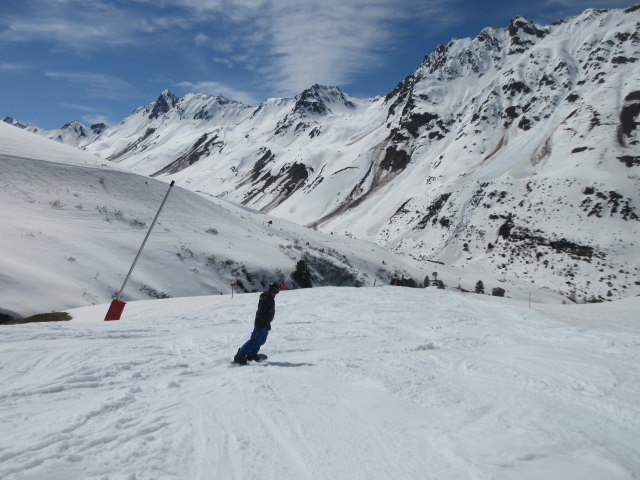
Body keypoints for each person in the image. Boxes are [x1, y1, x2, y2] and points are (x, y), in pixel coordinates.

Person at [233, 282, 280, 365]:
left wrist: (267, 323)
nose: (276, 293)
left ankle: (251, 354)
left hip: (265, 323)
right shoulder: (266, 298)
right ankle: (239, 356)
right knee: (254, 340)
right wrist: (265, 323)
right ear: (272, 289)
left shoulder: (270, 298)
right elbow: (260, 313)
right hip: (261, 323)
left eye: (277, 291)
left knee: (261, 341)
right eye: (276, 291)